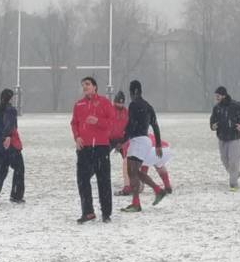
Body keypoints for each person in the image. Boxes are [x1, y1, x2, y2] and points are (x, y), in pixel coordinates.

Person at [70, 76, 115, 224]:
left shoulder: (104, 103)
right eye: (83, 85)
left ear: (95, 87)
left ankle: (106, 213)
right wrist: (77, 137)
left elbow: (112, 123)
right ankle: (88, 212)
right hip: (85, 148)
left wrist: (98, 121)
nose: (85, 87)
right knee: (82, 180)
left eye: (88, 84)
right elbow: (74, 123)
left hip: (101, 147)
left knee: (103, 181)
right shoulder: (79, 104)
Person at [120, 80, 167, 213]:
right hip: (145, 140)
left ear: (133, 91)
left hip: (138, 140)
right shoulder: (148, 105)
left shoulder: (134, 105)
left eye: (130, 92)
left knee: (132, 172)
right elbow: (155, 125)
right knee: (134, 172)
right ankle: (158, 190)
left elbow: (131, 124)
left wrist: (123, 140)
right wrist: (157, 144)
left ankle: (136, 203)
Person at [210, 86, 240, 191]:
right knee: (224, 160)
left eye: (218, 96)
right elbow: (212, 120)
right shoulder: (216, 108)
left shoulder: (236, 105)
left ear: (224, 95)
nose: (216, 98)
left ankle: (233, 184)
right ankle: (235, 173)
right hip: (222, 138)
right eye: (215, 96)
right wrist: (212, 126)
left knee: (233, 161)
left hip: (234, 138)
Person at [0, 88, 25, 205]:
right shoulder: (11, 110)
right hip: (10, 145)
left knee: (1, 170)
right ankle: (16, 195)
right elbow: (10, 124)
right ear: (10, 98)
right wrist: (7, 136)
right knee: (19, 169)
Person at [109, 91, 131, 196]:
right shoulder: (109, 110)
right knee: (100, 159)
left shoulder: (126, 112)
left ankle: (129, 181)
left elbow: (129, 128)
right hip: (109, 139)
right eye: (118, 103)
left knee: (128, 161)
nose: (120, 105)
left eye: (122, 103)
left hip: (122, 140)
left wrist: (122, 142)